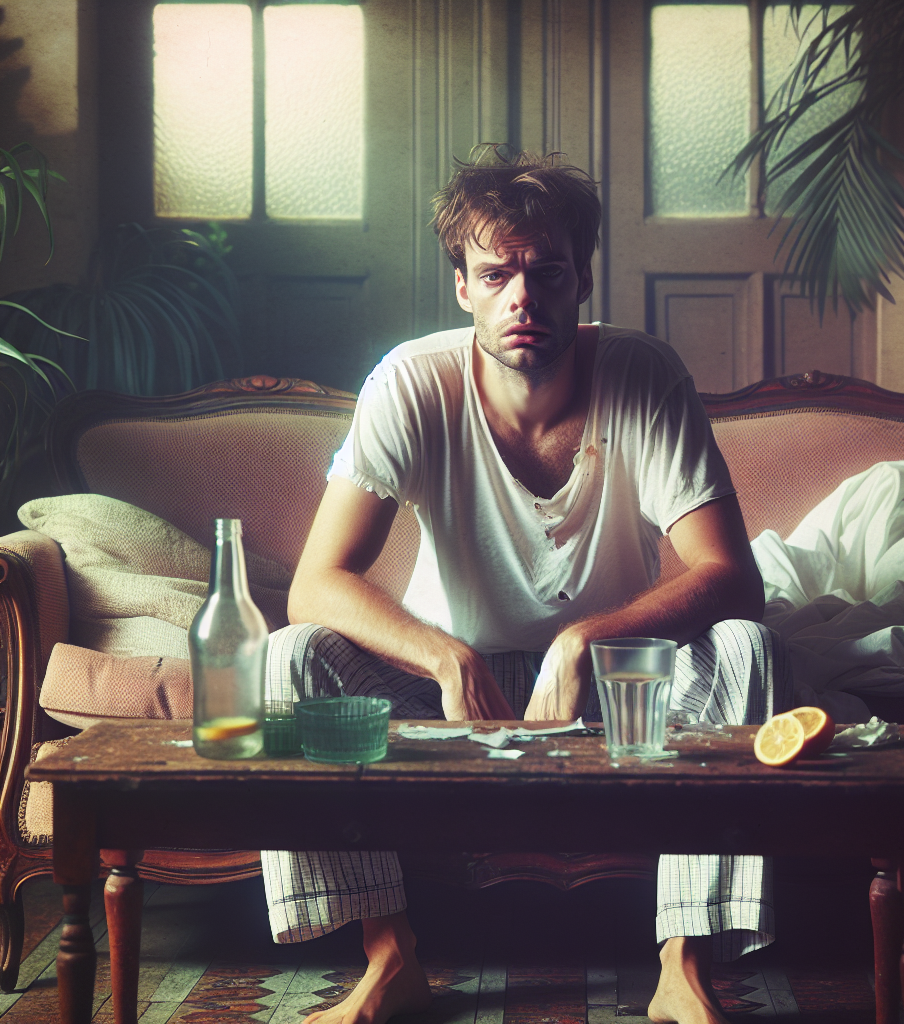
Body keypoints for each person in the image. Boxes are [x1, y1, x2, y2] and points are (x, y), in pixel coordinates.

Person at [261, 147, 790, 1024]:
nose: (522, 297)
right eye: (496, 273)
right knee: (293, 659)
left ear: (580, 281)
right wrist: (443, 657)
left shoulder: (643, 376)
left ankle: (683, 968)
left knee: (747, 648)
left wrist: (586, 641)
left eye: (545, 272)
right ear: (462, 285)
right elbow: (315, 584)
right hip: (449, 691)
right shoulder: (411, 382)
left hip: (617, 690)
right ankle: (390, 959)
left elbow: (733, 579)